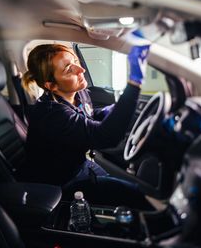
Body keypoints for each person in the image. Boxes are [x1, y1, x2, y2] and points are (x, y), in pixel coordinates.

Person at [21, 43, 150, 189]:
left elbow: (90, 116)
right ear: (51, 86)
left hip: (80, 166)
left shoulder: (78, 93)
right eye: (69, 69)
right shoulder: (53, 114)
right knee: (134, 194)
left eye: (75, 61)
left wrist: (115, 109)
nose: (81, 69)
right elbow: (105, 137)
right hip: (59, 184)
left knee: (129, 189)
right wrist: (134, 84)